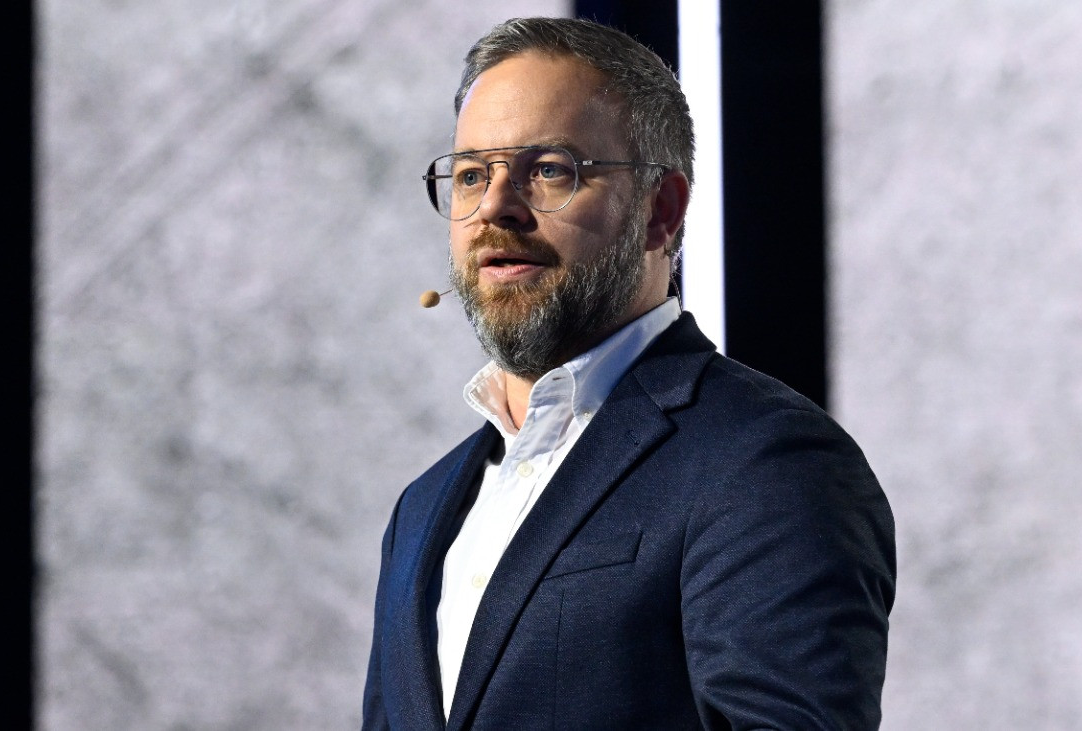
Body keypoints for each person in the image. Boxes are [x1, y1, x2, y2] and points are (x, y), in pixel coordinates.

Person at [363, 17, 895, 730]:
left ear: (659, 211)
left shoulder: (766, 462)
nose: (494, 207)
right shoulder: (422, 508)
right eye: (470, 175)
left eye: (548, 170)